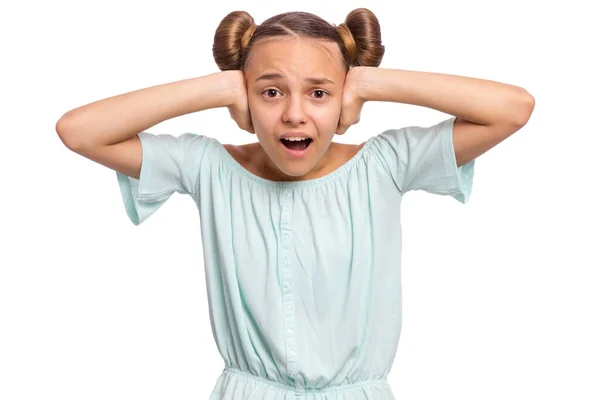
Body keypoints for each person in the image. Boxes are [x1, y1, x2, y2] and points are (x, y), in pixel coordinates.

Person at [55, 8, 534, 400]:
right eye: (269, 91)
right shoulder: (208, 166)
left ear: (343, 98)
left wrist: (368, 83)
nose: (295, 113)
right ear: (246, 97)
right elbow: (78, 131)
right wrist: (219, 87)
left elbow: (513, 109)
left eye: (320, 92)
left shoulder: (385, 163)